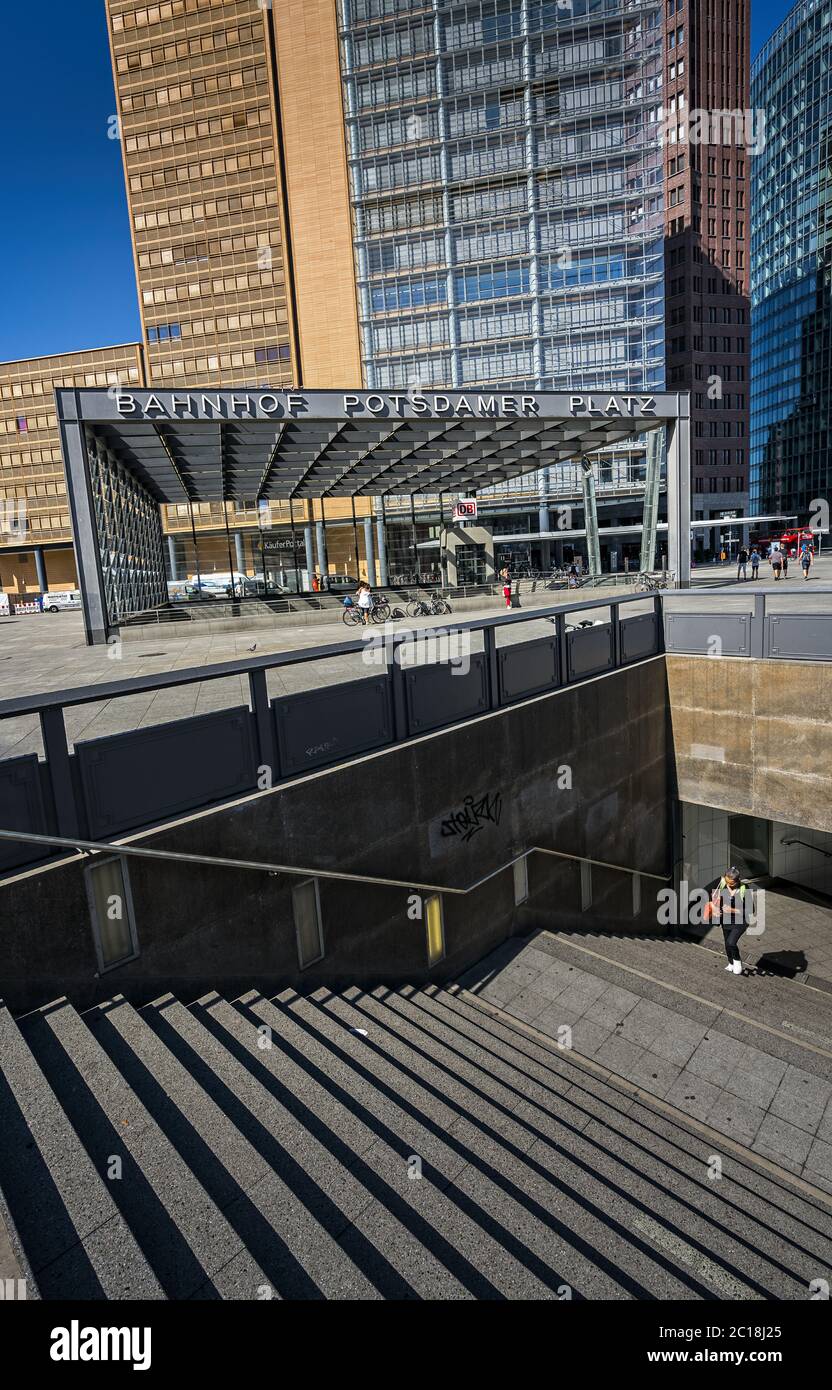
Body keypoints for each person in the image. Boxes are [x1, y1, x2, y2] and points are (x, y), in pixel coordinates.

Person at [710, 867, 750, 974]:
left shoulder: (744, 888)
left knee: (731, 942)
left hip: (740, 921)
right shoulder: (721, 883)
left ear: (738, 880)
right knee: (727, 943)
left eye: (732, 883)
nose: (729, 885)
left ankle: (737, 961)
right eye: (727, 882)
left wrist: (731, 910)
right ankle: (731, 963)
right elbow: (711, 897)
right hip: (725, 920)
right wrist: (714, 908)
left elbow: (750, 910)